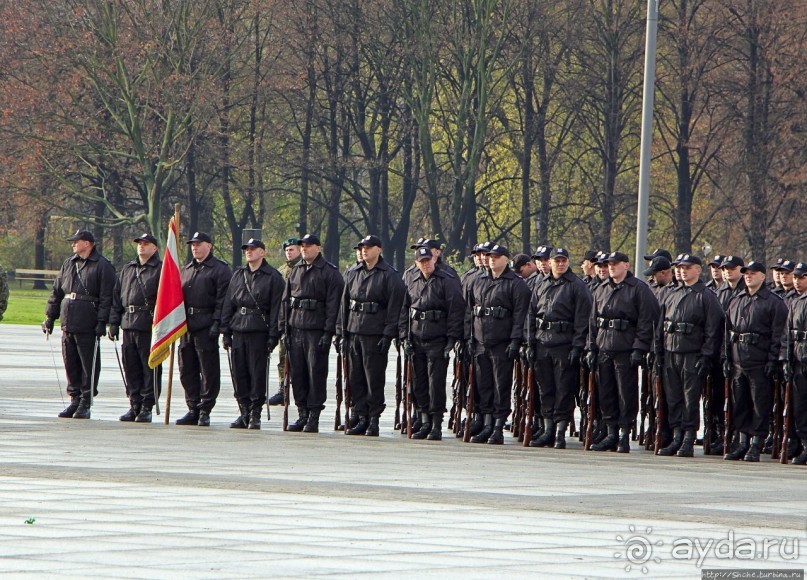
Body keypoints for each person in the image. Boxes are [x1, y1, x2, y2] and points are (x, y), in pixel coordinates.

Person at [586, 252, 660, 453]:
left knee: (625, 393)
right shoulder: (601, 288)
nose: (611, 267)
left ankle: (625, 434)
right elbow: (593, 322)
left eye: (615, 264)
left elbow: (647, 320)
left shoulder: (638, 289)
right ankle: (611, 432)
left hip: (625, 348)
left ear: (626, 265)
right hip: (604, 347)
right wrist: (591, 347)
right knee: (606, 392)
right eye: (609, 264)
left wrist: (639, 348)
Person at [654, 255, 724, 457]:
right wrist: (658, 352)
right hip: (671, 352)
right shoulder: (672, 293)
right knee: (673, 397)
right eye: (680, 267)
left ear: (698, 270)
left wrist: (707, 355)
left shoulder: (706, 296)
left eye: (688, 267)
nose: (683, 271)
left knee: (690, 399)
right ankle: (676, 435)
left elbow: (713, 329)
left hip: (692, 354)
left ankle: (688, 438)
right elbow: (661, 326)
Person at [337, 235, 406, 436]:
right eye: (362, 247)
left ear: (379, 249)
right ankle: (360, 415)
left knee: (373, 378)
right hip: (354, 330)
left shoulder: (389, 275)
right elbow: (344, 304)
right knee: (355, 377)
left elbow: (395, 307)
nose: (364, 250)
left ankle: (373, 418)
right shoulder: (352, 272)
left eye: (368, 247)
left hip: (374, 333)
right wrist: (341, 331)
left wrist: (388, 335)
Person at [43, 229, 116, 419]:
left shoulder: (102, 265)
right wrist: (50, 317)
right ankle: (74, 398)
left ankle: (85, 400)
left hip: (88, 321)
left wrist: (102, 321)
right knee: (71, 362)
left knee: (88, 363)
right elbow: (57, 291)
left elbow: (107, 297)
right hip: (69, 320)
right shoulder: (69, 263)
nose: (73, 244)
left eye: (77, 241)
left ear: (88, 243)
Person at [464, 244, 531, 444]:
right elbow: (470, 311)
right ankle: (486, 424)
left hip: (502, 342)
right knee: (484, 385)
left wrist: (515, 341)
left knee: (501, 386)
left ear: (506, 259)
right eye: (489, 256)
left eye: (496, 256)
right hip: (480, 341)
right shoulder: (479, 281)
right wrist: (468, 337)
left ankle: (498, 427)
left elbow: (521, 315)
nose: (491, 259)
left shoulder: (516, 284)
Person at [527, 247, 592, 449]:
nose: (561, 264)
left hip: (564, 344)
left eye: (564, 260)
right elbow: (531, 315)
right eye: (557, 261)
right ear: (551, 262)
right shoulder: (541, 283)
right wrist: (529, 342)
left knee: (564, 389)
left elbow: (583, 319)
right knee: (545, 388)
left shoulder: (577, 286)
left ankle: (560, 431)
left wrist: (577, 346)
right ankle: (547, 429)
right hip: (542, 342)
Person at [723, 261, 787, 462]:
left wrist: (773, 360)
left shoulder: (773, 302)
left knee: (760, 404)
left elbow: (778, 335)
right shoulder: (737, 300)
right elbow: (727, 332)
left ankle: (756, 443)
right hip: (738, 360)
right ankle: (742, 441)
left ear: (762, 276)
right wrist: (725, 357)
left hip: (759, 360)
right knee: (739, 402)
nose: (748, 276)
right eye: (746, 273)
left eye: (753, 273)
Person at [400, 246, 465, 440]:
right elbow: (404, 309)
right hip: (417, 337)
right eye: (422, 262)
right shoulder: (411, 280)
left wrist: (452, 339)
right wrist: (404, 336)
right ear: (416, 263)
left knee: (435, 382)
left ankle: (436, 423)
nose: (426, 264)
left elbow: (456, 310)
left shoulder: (447, 280)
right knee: (419, 382)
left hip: (438, 338)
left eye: (428, 260)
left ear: (434, 260)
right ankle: (424, 420)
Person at [281, 234, 344, 433]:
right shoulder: (296, 270)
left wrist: (328, 332)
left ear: (318, 248)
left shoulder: (329, 273)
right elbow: (286, 301)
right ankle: (302, 413)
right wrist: (284, 328)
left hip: (316, 331)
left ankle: (314, 414)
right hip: (296, 328)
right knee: (297, 373)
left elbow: (334, 306)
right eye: (302, 246)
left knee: (315, 373)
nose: (305, 249)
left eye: (308, 246)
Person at [219, 238, 283, 430]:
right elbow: (229, 303)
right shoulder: (238, 275)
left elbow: (276, 308)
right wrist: (225, 330)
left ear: (262, 252)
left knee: (257, 374)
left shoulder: (273, 277)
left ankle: (256, 413)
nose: (249, 251)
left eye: (253, 249)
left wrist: (273, 335)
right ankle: (244, 410)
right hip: (239, 328)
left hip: (258, 330)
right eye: (247, 249)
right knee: (240, 373)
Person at [176, 232, 231, 426]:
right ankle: (192, 406)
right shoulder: (187, 269)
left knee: (208, 369)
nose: (195, 247)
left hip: (206, 324)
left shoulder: (220, 270)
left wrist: (218, 323)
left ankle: (205, 408)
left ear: (210, 246)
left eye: (199, 244)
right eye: (192, 244)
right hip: (186, 325)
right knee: (186, 369)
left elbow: (223, 300)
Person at [108, 233, 162, 423]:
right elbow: (117, 297)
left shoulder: (160, 270)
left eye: (146, 244)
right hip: (128, 322)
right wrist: (114, 322)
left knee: (149, 367)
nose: (141, 246)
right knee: (130, 366)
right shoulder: (128, 269)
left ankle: (147, 405)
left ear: (154, 248)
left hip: (148, 324)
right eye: (140, 243)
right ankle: (134, 403)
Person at [268, 238, 303, 406]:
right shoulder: (280, 271)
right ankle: (283, 388)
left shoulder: (303, 268)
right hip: (283, 318)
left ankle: (298, 389)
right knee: (282, 357)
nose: (289, 253)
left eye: (292, 250)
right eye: (287, 250)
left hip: (299, 318)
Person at [782, 262, 807, 465]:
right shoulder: (796, 302)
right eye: (796, 278)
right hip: (799, 361)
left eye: (802, 278)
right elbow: (787, 336)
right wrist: (786, 360)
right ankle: (803, 444)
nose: (798, 282)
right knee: (800, 407)